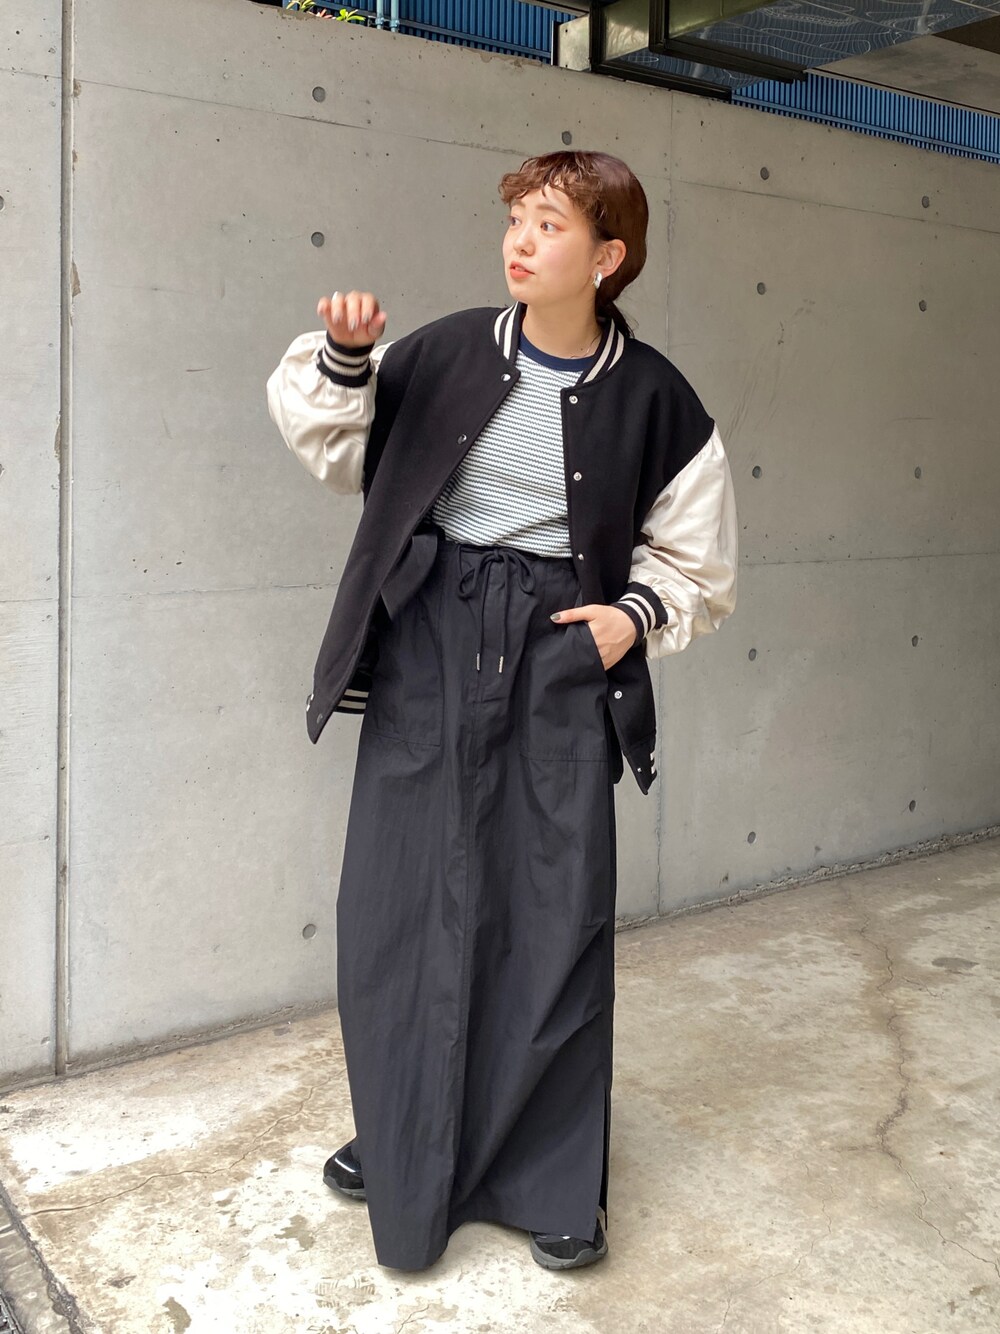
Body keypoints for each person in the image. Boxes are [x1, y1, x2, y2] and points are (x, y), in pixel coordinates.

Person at [265, 150, 738, 1272]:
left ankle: (547, 1176)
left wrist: (633, 616)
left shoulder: (656, 397)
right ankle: (407, 1134)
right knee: (402, 901)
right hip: (430, 641)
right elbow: (340, 451)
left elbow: (697, 554)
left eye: (550, 224)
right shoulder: (445, 351)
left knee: (551, 908)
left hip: (559, 650)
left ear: (608, 256)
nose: (521, 240)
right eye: (517, 218)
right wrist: (345, 358)